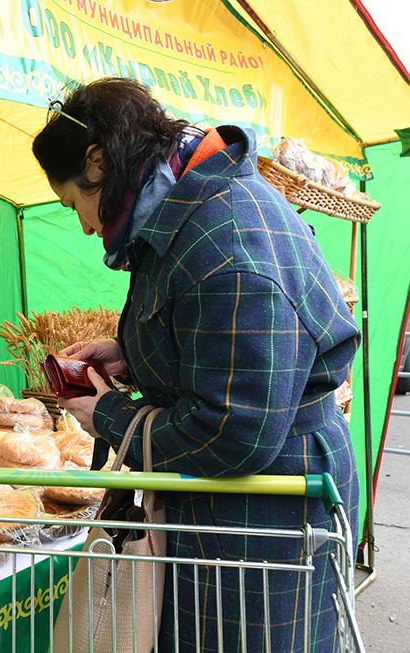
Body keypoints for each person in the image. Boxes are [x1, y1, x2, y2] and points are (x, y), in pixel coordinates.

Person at [32, 77, 360, 652]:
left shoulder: (226, 242)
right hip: (231, 510)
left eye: (73, 202)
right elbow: (209, 336)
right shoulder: (184, 209)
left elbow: (234, 431)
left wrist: (110, 416)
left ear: (99, 160)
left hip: (264, 524)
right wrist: (129, 354)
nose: (83, 223)